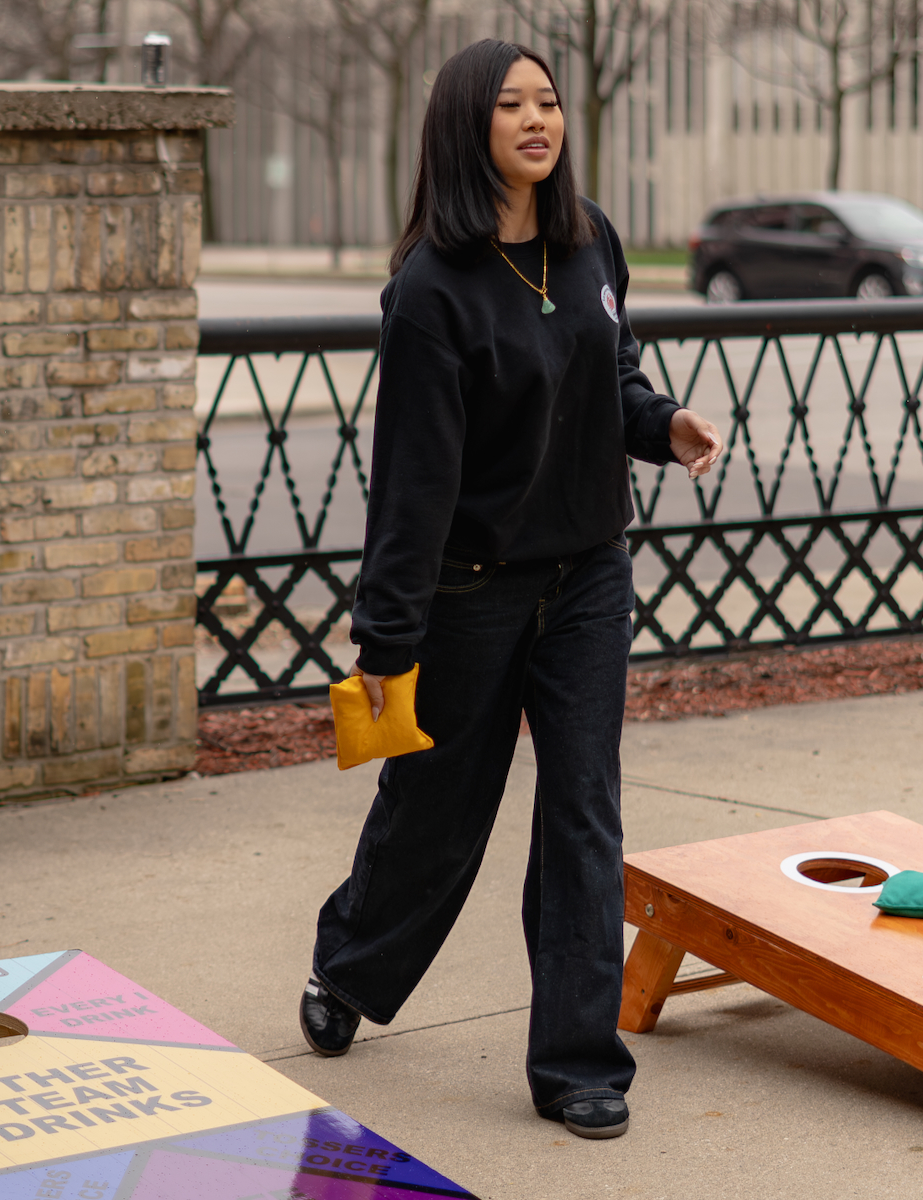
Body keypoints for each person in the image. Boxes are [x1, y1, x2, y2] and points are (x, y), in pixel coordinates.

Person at [298, 39, 722, 1140]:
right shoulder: (431, 293)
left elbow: (611, 375)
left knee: (583, 813)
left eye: (547, 101)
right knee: (437, 815)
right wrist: (385, 642)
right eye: (509, 106)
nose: (537, 119)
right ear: (463, 128)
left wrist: (659, 423)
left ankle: (579, 1062)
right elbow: (413, 486)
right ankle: (348, 967)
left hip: (587, 579)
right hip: (467, 593)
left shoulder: (590, 247)